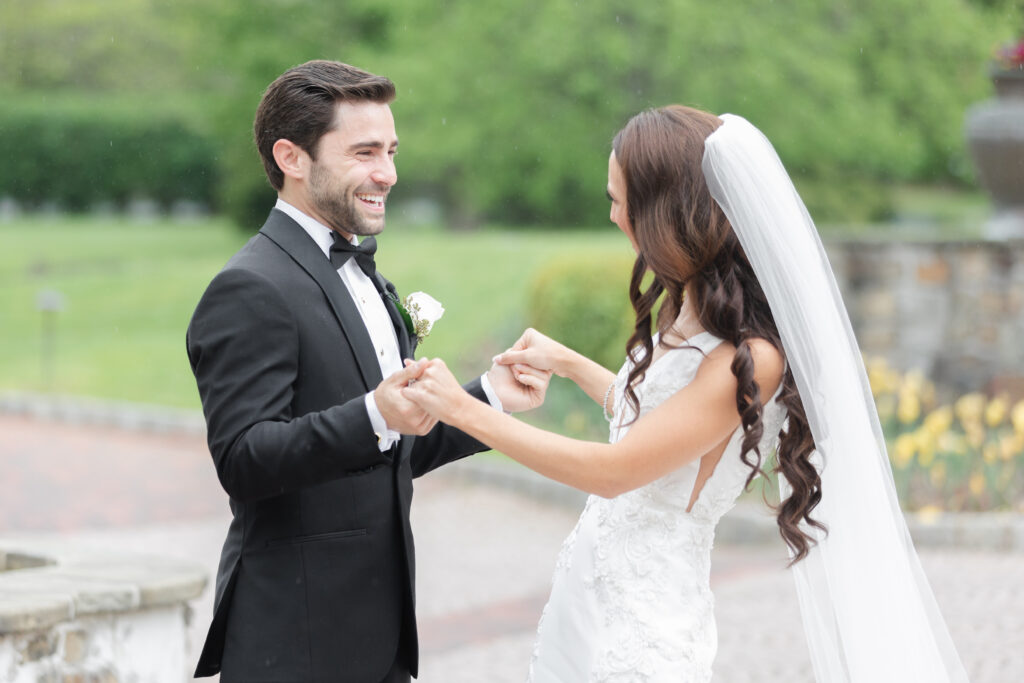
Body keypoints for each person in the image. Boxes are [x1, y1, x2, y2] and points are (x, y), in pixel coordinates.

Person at [403, 106, 969, 682]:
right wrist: (570, 364)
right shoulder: (691, 310)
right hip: (593, 608)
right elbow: (658, 427)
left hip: (642, 633)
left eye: (622, 200)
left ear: (669, 211)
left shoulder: (750, 359)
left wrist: (464, 410)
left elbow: (618, 469)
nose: (613, 215)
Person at [185, 60, 548, 682]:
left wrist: (489, 397)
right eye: (365, 152)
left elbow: (388, 451)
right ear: (292, 158)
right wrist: (374, 413)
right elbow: (243, 460)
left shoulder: (366, 278)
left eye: (392, 150)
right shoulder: (249, 287)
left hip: (380, 639)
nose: (389, 173)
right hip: (294, 642)